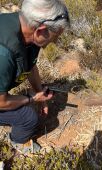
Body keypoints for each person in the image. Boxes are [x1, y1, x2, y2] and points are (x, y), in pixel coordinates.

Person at [0, 0, 70, 154]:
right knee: (28, 118)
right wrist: (31, 99)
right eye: (55, 36)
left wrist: (41, 95)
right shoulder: (3, 53)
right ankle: (18, 142)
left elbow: (30, 67)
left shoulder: (27, 29)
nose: (55, 41)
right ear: (41, 30)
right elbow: (1, 102)